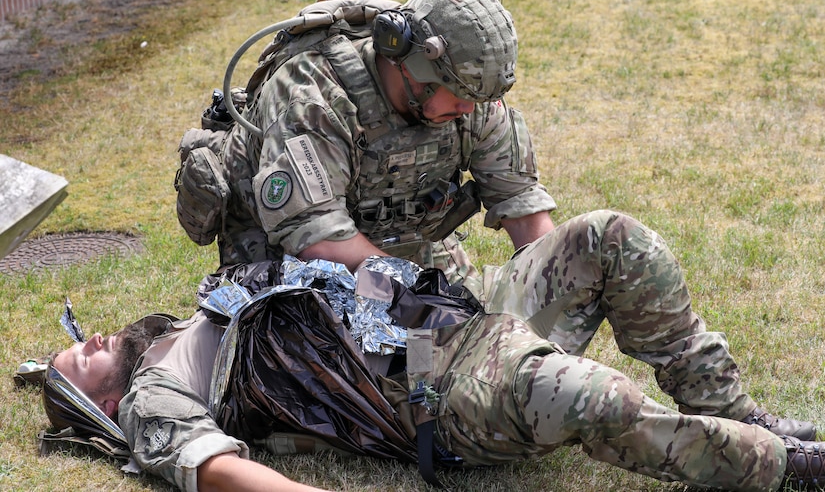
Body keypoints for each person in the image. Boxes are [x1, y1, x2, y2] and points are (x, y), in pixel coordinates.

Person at [175, 0, 815, 441]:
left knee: (610, 240)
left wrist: (546, 299)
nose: (470, 113)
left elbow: (527, 220)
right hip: (324, 322)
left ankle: (728, 412)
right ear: (406, 64)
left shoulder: (468, 91)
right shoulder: (314, 89)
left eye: (479, 99)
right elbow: (317, 240)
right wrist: (428, 303)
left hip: (430, 299)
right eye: (456, 97)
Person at [41, 222, 825, 492]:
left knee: (609, 238)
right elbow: (215, 469)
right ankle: (783, 466)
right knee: (594, 398)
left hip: (454, 316)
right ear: (102, 407)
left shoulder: (180, 325)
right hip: (432, 394)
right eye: (74, 361)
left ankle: (735, 412)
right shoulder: (153, 400)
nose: (87, 342)